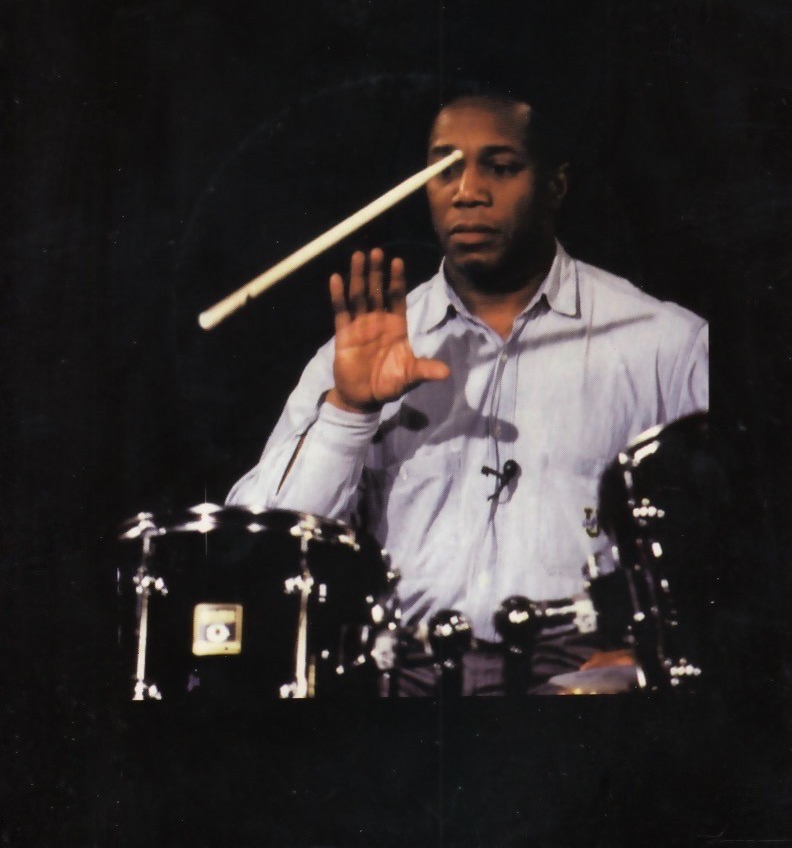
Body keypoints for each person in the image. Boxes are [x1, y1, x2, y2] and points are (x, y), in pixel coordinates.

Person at [226, 95, 709, 694]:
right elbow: (261, 551)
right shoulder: (359, 352)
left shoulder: (665, 343)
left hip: (581, 681)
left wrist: (641, 657)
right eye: (445, 170)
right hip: (400, 684)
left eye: (500, 167)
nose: (468, 192)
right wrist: (349, 413)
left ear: (555, 185)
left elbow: (733, 550)